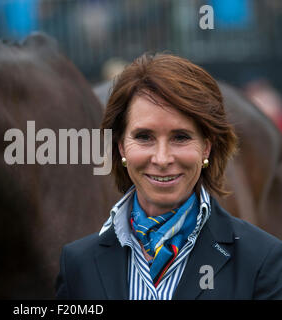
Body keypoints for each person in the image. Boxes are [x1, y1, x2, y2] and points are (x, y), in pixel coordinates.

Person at [55, 53, 282, 300]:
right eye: (144, 137)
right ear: (121, 147)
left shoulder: (263, 260)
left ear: (206, 147)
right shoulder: (77, 265)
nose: (162, 159)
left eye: (181, 137)